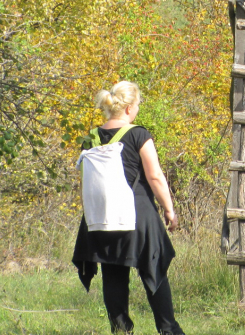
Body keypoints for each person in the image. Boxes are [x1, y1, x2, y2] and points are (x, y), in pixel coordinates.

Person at [73, 81, 184, 335]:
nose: (137, 110)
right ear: (128, 108)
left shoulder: (90, 137)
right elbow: (154, 176)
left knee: (113, 274)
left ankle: (121, 330)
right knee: (154, 270)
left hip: (102, 217)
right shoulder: (138, 134)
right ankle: (169, 330)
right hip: (138, 215)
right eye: (137, 105)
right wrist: (169, 210)